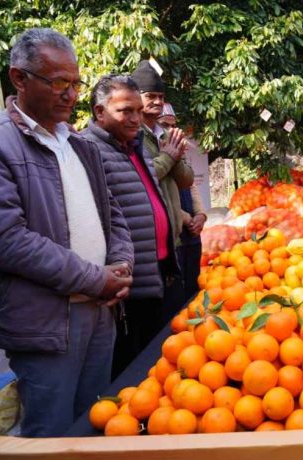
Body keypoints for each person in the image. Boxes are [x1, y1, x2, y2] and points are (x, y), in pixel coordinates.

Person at [0, 28, 134, 437]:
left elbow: (113, 214)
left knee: (95, 425)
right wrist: (94, 278)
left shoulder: (79, 144)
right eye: (58, 83)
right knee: (51, 437)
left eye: (76, 84)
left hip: (100, 310)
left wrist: (121, 264)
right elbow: (3, 240)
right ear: (19, 78)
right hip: (45, 324)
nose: (70, 94)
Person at [82, 74, 179, 379]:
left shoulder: (136, 146)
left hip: (156, 271)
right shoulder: (88, 150)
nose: (136, 118)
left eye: (138, 110)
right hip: (128, 284)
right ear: (100, 112)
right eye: (125, 111)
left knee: (158, 362)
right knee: (133, 371)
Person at [131, 60, 193, 318]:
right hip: (147, 245)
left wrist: (174, 156)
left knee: (175, 314)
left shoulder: (165, 135)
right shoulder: (132, 135)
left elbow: (186, 180)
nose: (157, 102)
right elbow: (141, 177)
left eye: (160, 96)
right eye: (150, 96)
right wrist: (169, 157)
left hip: (173, 238)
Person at [157, 105, 208, 305]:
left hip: (192, 234)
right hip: (175, 230)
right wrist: (187, 219)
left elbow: (191, 185)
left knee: (193, 286)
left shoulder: (178, 150)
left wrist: (201, 214)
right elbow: (160, 194)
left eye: (173, 125)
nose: (170, 130)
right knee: (177, 294)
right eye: (164, 125)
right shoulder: (157, 152)